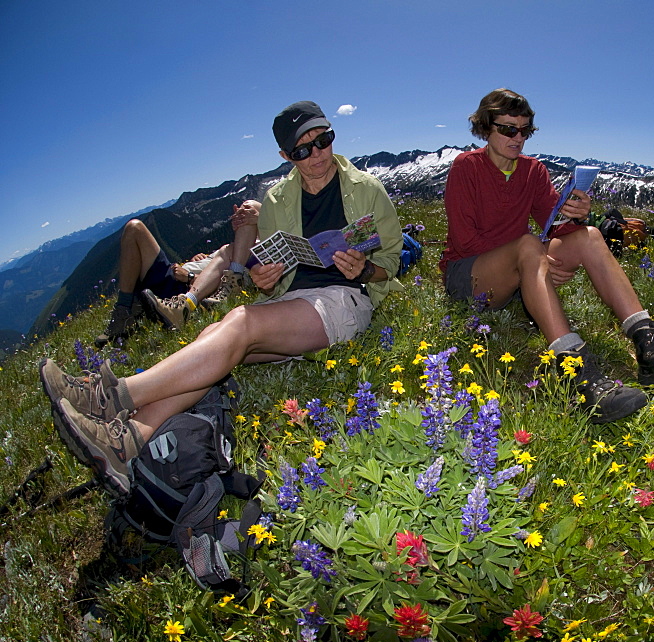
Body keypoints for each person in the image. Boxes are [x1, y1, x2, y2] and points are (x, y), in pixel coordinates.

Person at [40, 100, 403, 497]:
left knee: (240, 325)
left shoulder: (366, 189)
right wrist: (264, 278)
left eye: (324, 140)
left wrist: (365, 270)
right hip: (292, 304)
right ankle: (126, 442)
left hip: (346, 298)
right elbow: (268, 264)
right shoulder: (279, 199)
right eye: (302, 149)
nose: (317, 154)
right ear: (286, 155)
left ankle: (110, 395)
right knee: (214, 336)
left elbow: (391, 260)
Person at [441, 88, 654, 424]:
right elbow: (466, 243)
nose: (518, 138)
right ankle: (578, 376)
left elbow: (554, 227)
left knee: (591, 236)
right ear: (486, 127)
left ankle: (651, 349)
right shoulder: (466, 167)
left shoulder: (533, 171)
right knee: (528, 245)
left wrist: (577, 215)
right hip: (468, 277)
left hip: (518, 265)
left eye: (524, 130)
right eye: (508, 129)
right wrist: (531, 259)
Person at [95, 203, 258, 347]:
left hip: (180, 289)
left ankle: (129, 310)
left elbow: (225, 287)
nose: (240, 219)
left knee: (135, 228)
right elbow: (216, 263)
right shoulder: (231, 248)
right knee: (134, 228)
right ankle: (124, 309)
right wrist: (203, 257)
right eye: (239, 216)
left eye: (246, 216)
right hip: (174, 274)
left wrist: (189, 277)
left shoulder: (250, 256)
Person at [140, 201, 261, 331]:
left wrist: (190, 277)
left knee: (136, 230)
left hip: (209, 272)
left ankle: (183, 306)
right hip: (215, 261)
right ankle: (143, 307)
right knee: (248, 207)